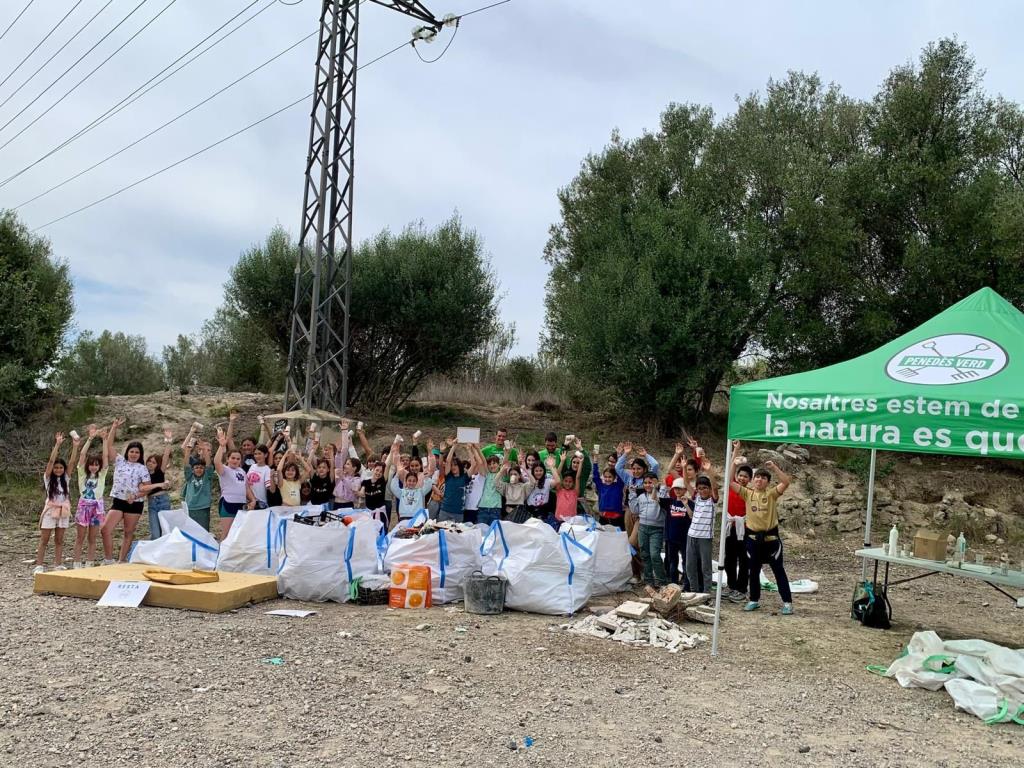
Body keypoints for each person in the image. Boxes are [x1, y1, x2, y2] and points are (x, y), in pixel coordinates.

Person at [730, 451, 794, 615]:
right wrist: (734, 464)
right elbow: (730, 481)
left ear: (768, 482)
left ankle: (787, 602)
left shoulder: (771, 494)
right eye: (757, 477)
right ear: (753, 480)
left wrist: (774, 467)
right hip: (752, 540)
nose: (759, 480)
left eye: (763, 478)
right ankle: (754, 600)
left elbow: (786, 482)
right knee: (754, 572)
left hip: (771, 540)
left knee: (778, 571)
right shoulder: (747, 493)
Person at [103, 417, 159, 563]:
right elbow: (109, 446)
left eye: (137, 452)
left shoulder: (143, 469)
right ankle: (108, 559)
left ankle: (121, 561)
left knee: (128, 533)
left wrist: (135, 496)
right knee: (105, 529)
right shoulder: (120, 461)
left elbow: (146, 488)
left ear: (140, 455)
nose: (134, 454)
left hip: (134, 503)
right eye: (131, 451)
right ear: (127, 452)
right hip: (118, 501)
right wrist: (114, 427)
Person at [35, 432, 79, 573]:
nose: (58, 470)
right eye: (56, 468)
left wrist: (75, 446)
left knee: (59, 540)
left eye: (61, 468)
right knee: (44, 539)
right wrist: (57, 444)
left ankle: (58, 563)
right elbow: (50, 462)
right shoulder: (48, 478)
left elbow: (72, 462)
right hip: (50, 510)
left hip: (63, 511)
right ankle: (39, 565)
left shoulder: (66, 478)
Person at [72, 426, 108, 568]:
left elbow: (105, 457)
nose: (94, 467)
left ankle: (90, 561)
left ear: (99, 466)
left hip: (97, 507)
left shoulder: (102, 474)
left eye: (96, 465)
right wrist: (90, 438)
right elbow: (82, 455)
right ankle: (76, 561)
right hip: (83, 506)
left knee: (92, 537)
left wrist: (104, 440)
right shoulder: (82, 473)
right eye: (91, 465)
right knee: (80, 537)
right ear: (88, 466)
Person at [214, 428, 255, 538]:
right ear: (227, 459)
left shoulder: (241, 471)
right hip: (228, 503)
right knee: (227, 534)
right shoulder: (224, 470)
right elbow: (216, 462)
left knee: (238, 535)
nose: (235, 460)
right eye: (233, 458)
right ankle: (221, 554)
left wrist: (253, 499)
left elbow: (246, 487)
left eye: (238, 459)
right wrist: (221, 446)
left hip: (241, 504)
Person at [628, 471, 666, 587]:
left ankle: (661, 581)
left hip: (657, 528)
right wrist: (632, 494)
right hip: (643, 527)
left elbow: (663, 502)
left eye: (650, 482)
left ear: (656, 482)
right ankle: (648, 580)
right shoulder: (641, 497)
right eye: (645, 483)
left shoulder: (661, 494)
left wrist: (659, 487)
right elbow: (634, 510)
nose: (648, 485)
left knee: (654, 554)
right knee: (645, 554)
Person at [724, 454, 751, 603]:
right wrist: (735, 452)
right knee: (729, 559)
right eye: (740, 475)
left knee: (744, 559)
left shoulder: (749, 493)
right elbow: (729, 472)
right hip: (730, 528)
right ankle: (731, 586)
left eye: (745, 477)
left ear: (750, 480)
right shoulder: (731, 487)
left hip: (745, 529)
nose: (742, 478)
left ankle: (741, 589)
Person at [685, 467, 717, 594]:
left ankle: (706, 593)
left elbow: (715, 487)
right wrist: (683, 467)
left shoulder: (712, 501)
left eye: (705, 488)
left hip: (705, 538)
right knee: (690, 566)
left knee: (706, 567)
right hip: (691, 535)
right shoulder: (696, 498)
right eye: (700, 488)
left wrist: (710, 471)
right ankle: (694, 591)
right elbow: (686, 483)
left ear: (709, 489)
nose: (702, 491)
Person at [180, 432, 213, 531]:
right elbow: (186, 465)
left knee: (203, 531)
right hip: (190, 507)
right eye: (196, 467)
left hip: (203, 507)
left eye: (201, 468)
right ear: (193, 469)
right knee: (191, 531)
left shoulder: (207, 476)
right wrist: (188, 452)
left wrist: (204, 449)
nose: (199, 469)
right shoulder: (190, 476)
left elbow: (208, 464)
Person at [662, 478, 690, 588]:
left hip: (684, 538)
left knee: (685, 562)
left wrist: (686, 504)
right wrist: (656, 488)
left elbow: (691, 515)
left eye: (680, 488)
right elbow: (655, 499)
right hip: (671, 538)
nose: (677, 491)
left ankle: (686, 583)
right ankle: (673, 583)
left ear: (685, 489)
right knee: (673, 561)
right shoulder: (669, 502)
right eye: (675, 489)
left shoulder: (690, 502)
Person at [145, 429, 174, 539]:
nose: (151, 463)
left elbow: (166, 456)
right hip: (152, 503)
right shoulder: (143, 474)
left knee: (165, 530)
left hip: (163, 500)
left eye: (154, 462)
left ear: (158, 465)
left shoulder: (160, 471)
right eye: (149, 461)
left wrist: (169, 441)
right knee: (155, 532)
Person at [438, 442, 470, 523]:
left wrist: (470, 449)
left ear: (460, 466)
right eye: (451, 465)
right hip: (445, 511)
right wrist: (454, 446)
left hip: (458, 513)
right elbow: (447, 461)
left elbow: (474, 464)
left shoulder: (465, 478)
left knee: (456, 535)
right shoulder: (448, 476)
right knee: (441, 533)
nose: (453, 467)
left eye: (455, 465)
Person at [552, 453, 583, 528]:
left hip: (571, 522)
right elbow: (557, 475)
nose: (567, 483)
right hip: (558, 520)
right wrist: (562, 461)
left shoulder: (575, 492)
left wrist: (581, 462)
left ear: (573, 483)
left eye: (570, 482)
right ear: (562, 481)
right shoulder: (559, 490)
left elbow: (578, 477)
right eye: (565, 481)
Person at [476, 450, 504, 527]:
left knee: (493, 534)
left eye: (494, 463)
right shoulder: (486, 474)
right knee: (480, 533)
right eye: (490, 464)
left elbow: (504, 464)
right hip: (483, 509)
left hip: (495, 510)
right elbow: (482, 462)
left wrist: (507, 452)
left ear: (499, 464)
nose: (492, 466)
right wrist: (476, 448)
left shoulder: (501, 475)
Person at [461, 444, 486, 525]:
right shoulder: (466, 476)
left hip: (473, 509)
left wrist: (474, 449)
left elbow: (481, 463)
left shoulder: (481, 477)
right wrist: (469, 449)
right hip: (462, 508)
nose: (475, 465)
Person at [245, 443, 272, 510]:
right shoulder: (252, 466)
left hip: (261, 503)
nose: (257, 456)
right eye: (255, 454)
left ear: (265, 455)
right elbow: (246, 482)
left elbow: (269, 487)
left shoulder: (267, 469)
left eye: (259, 453)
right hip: (249, 502)